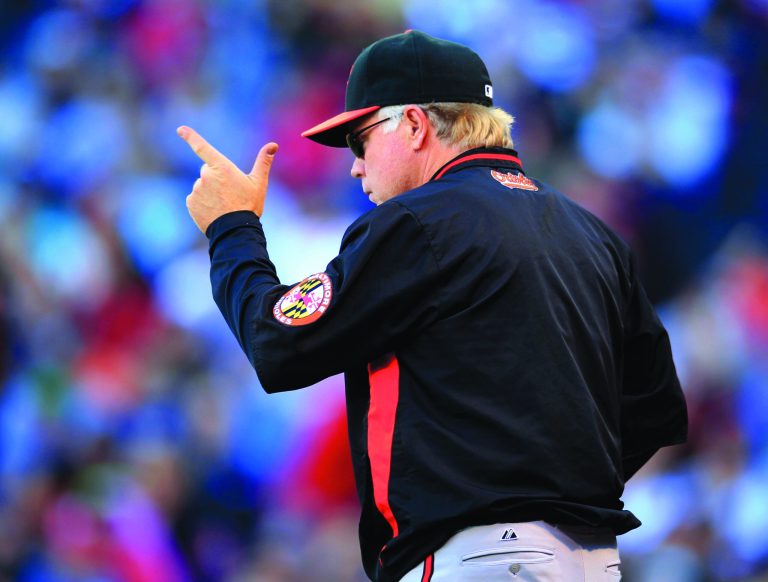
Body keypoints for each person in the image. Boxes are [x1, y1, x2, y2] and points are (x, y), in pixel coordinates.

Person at [178, 30, 688, 582]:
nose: (355, 167)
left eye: (361, 140)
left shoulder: (419, 221)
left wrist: (232, 228)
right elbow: (655, 409)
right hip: (590, 562)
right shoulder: (593, 234)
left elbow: (276, 342)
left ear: (416, 125)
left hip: (483, 560)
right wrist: (555, 494)